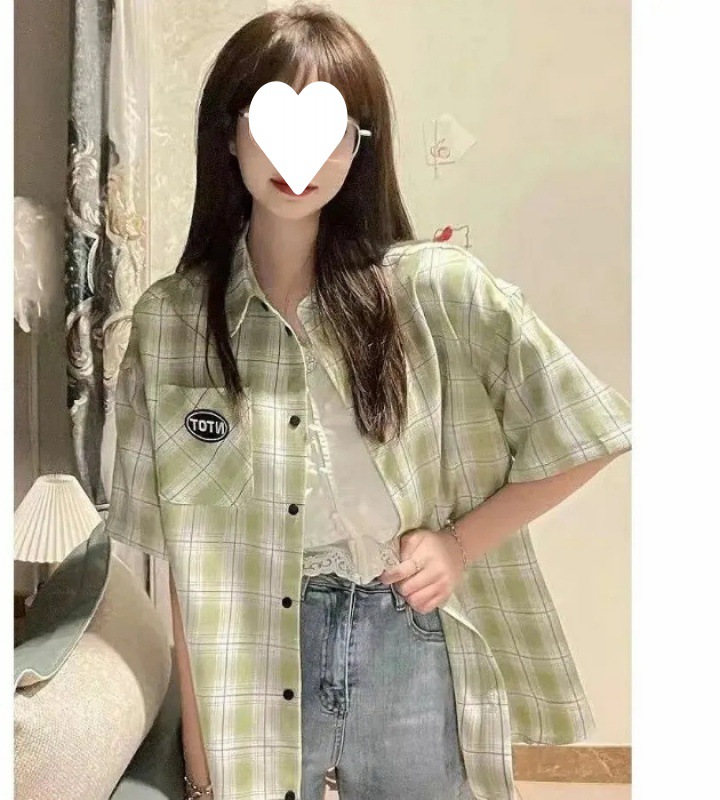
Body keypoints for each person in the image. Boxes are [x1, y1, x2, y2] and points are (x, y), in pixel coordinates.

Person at [104, 5, 632, 800]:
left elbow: (588, 429)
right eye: (275, 120)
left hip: (406, 642)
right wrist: (199, 745)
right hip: (253, 651)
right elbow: (187, 557)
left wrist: (458, 545)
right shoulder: (172, 324)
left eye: (329, 129)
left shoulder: (438, 292)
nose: (299, 156)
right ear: (231, 133)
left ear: (358, 145)